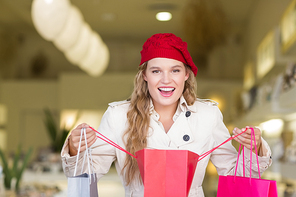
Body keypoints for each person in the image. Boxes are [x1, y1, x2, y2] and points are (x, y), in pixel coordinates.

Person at [61, 33, 272, 196]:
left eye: (175, 70)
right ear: (144, 75)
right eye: (156, 71)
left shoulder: (208, 115)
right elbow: (86, 174)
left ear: (186, 74)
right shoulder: (118, 116)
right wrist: (74, 147)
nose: (166, 80)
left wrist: (254, 148)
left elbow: (235, 174)